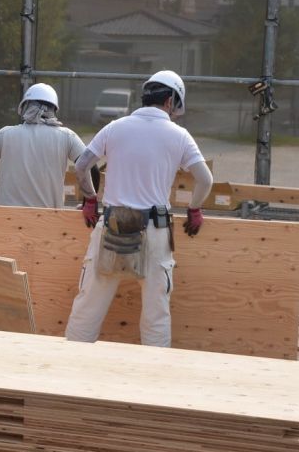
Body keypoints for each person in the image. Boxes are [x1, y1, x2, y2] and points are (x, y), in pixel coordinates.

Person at [64, 70, 213, 348]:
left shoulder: (115, 127)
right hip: (155, 231)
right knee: (156, 316)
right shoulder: (179, 136)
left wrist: (90, 200)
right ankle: (153, 385)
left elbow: (82, 166)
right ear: (170, 100)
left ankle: (67, 381)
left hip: (111, 226)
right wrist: (195, 209)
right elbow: (205, 180)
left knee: (88, 309)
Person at [0, 82, 87, 209]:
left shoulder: (5, 134)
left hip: (5, 218)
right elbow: (91, 169)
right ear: (54, 109)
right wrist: (88, 204)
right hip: (50, 220)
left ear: (25, 107)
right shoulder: (67, 136)